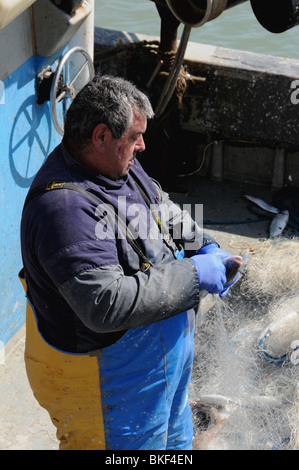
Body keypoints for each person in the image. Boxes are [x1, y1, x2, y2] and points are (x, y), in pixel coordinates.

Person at [20, 75, 236, 450]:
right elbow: (107, 304)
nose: (143, 144)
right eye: (134, 136)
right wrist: (195, 274)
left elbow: (159, 207)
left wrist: (203, 245)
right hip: (110, 385)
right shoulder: (65, 210)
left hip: (158, 371)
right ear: (101, 136)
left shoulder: (117, 166)